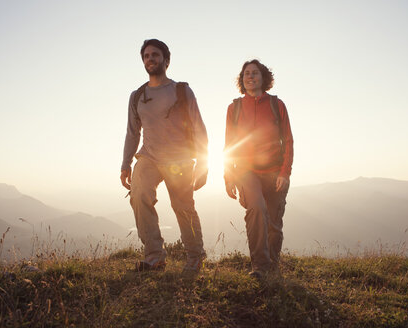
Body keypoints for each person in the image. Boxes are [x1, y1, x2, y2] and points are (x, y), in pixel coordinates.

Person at [121, 39, 208, 273]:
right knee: (138, 195)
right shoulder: (137, 95)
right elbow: (132, 132)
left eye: (155, 55)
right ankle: (154, 256)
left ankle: (195, 256)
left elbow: (198, 127)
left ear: (166, 60)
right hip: (148, 156)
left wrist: (204, 163)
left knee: (182, 206)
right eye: (146, 56)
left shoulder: (181, 91)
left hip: (179, 158)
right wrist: (125, 164)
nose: (150, 59)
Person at [224, 59, 294, 278]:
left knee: (274, 224)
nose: (250, 77)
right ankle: (260, 266)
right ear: (242, 80)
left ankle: (272, 264)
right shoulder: (234, 108)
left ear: (264, 78)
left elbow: (288, 142)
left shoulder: (277, 105)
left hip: (274, 171)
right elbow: (229, 145)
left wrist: (285, 173)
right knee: (256, 208)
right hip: (246, 172)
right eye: (246, 74)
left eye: (255, 73)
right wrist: (228, 176)